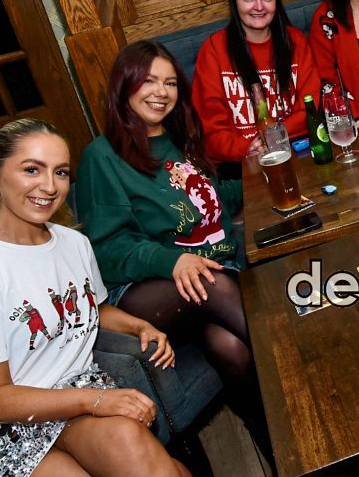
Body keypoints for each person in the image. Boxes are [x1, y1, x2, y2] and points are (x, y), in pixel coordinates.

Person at [0, 118, 196, 477]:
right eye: (32, 169)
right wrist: (96, 399)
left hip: (72, 395)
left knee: (176, 476)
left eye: (60, 172)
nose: (49, 186)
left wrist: (137, 326)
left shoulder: (73, 243)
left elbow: (91, 310)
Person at [77, 40, 265, 438]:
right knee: (210, 282)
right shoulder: (102, 156)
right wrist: (173, 261)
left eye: (170, 83)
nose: (161, 92)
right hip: (149, 289)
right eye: (148, 81)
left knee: (229, 347)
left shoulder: (180, 139)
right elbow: (107, 249)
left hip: (214, 275)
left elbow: (212, 202)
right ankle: (302, 353)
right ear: (124, 85)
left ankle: (274, 440)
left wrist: (258, 173)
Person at [193, 0, 320, 177]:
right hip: (239, 164)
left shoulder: (296, 42)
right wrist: (247, 147)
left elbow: (308, 109)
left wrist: (271, 139)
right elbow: (210, 131)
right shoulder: (213, 49)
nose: (259, 7)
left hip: (295, 153)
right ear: (234, 1)